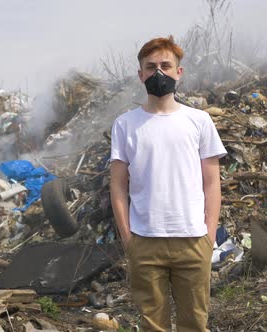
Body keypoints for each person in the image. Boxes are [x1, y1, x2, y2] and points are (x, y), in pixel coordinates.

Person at [110, 36, 227, 331]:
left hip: (192, 240)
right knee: (153, 326)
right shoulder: (125, 124)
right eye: (151, 67)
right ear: (140, 75)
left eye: (166, 65)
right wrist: (128, 239)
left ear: (179, 72)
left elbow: (212, 183)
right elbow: (118, 186)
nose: (158, 72)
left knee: (195, 324)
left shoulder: (199, 121)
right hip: (145, 241)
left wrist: (208, 237)